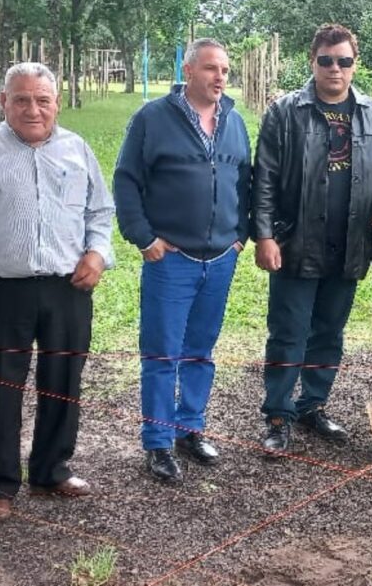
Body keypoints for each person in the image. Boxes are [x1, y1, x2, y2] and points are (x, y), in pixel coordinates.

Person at [0, 62, 115, 523]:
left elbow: (100, 212)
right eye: (22, 100)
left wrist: (97, 254)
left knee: (64, 382)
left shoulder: (77, 150)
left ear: (57, 102)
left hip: (67, 288)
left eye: (42, 100)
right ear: (3, 102)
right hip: (1, 289)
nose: (33, 109)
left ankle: (51, 469)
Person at [253, 23, 372, 454]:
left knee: (329, 332)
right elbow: (263, 178)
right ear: (312, 61)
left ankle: (312, 405)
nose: (335, 69)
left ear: (355, 64)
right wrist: (264, 235)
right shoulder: (285, 112)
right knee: (289, 331)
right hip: (295, 241)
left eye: (344, 60)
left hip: (351, 242)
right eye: (326, 60)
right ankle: (278, 414)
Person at [114, 38, 251, 482]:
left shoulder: (234, 121)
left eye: (225, 71)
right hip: (170, 259)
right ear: (188, 71)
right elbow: (126, 180)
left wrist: (240, 235)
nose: (219, 78)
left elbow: (246, 182)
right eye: (211, 68)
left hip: (220, 260)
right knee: (161, 353)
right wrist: (143, 237)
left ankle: (190, 428)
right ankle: (157, 442)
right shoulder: (152, 119)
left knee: (200, 352)